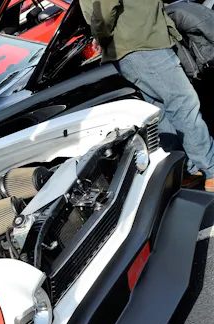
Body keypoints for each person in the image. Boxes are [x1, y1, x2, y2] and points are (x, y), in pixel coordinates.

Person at [79, 0, 214, 191]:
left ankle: (185, 171)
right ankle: (210, 169)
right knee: (183, 102)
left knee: (163, 108)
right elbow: (105, 9)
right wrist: (101, 36)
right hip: (140, 46)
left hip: (139, 44)